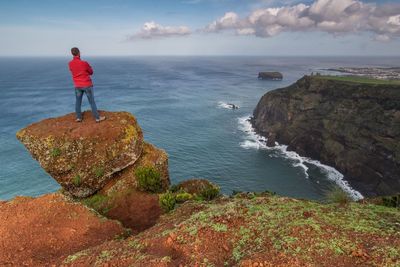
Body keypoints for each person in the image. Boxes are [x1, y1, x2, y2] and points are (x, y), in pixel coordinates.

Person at [68, 47, 105, 123]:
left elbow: (73, 71)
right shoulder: (84, 63)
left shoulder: (70, 63)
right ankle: (97, 118)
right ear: (79, 53)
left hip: (77, 85)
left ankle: (79, 118)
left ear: (72, 54)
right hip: (87, 84)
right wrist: (88, 69)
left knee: (78, 102)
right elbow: (91, 72)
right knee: (92, 102)